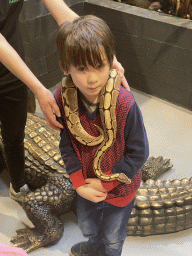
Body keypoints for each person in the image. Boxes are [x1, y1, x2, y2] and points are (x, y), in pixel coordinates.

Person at [0, 0, 129, 202]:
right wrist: (39, 89)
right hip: (5, 54)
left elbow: (65, 16)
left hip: (12, 66)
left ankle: (18, 185)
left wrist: (106, 55)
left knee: (14, 133)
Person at [54, 15, 149, 256]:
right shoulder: (62, 100)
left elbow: (139, 152)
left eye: (99, 66)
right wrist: (78, 184)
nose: (93, 78)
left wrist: (108, 182)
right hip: (85, 186)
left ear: (112, 64)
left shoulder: (125, 103)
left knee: (113, 237)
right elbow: (67, 146)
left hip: (120, 189)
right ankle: (93, 247)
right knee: (87, 226)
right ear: (66, 67)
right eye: (82, 69)